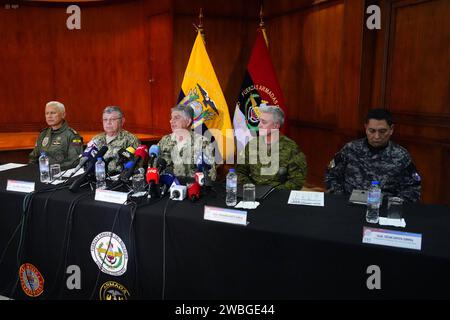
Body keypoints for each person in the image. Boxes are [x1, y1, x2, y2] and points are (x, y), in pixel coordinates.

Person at [325, 108, 421, 202]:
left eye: (382, 131)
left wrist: (393, 204)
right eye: (372, 131)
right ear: (366, 128)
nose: (377, 136)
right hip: (350, 204)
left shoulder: (401, 156)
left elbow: (413, 189)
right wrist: (342, 199)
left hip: (384, 209)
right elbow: (331, 176)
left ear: (391, 129)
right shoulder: (350, 149)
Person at [236, 105, 307, 190]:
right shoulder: (252, 144)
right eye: (259, 121)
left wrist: (272, 192)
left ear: (276, 126)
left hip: (278, 195)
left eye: (264, 122)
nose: (259, 125)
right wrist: (251, 188)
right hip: (253, 193)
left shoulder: (291, 148)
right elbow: (240, 171)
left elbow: (297, 180)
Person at [157, 104, 217, 181]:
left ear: (188, 122)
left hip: (192, 190)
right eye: (171, 118)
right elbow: (154, 170)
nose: (171, 121)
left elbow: (211, 176)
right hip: (166, 189)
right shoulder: (165, 140)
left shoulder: (203, 143)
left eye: (176, 118)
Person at [29, 101, 83, 170]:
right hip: (42, 174)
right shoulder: (43, 134)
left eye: (53, 113)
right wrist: (31, 170)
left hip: (61, 174)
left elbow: (74, 161)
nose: (49, 116)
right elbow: (33, 157)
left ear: (63, 115)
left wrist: (53, 169)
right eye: (47, 113)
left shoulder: (72, 135)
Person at [89, 106, 140, 175]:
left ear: (122, 121)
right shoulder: (96, 139)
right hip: (97, 178)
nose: (108, 123)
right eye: (105, 119)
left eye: (112, 119)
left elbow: (136, 166)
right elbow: (86, 160)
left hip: (118, 180)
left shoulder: (131, 140)